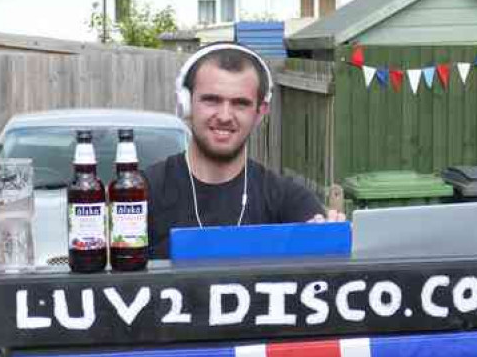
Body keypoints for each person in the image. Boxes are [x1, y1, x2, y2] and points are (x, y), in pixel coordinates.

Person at [145, 42, 344, 259]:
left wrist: (329, 244)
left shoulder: (290, 203)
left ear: (259, 113)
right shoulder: (141, 195)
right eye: (211, 100)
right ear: (186, 104)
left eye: (240, 104)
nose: (224, 116)